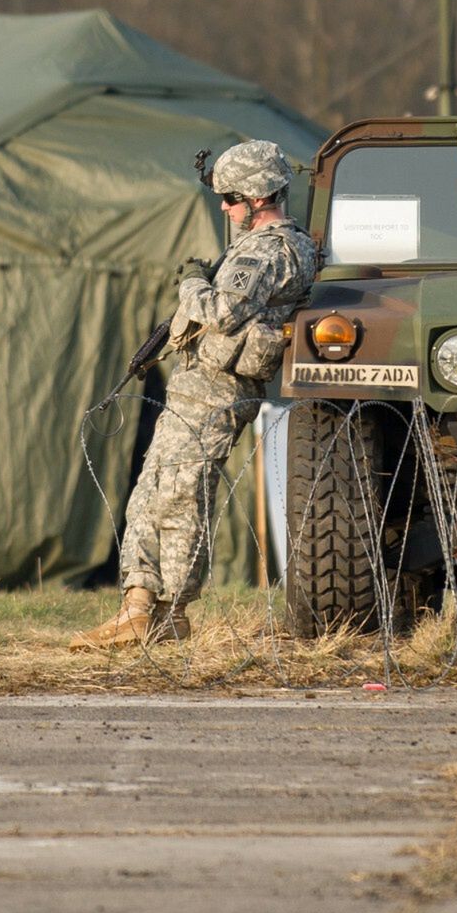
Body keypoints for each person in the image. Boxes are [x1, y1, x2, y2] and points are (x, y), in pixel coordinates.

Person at [72, 140, 317, 649]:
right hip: (198, 388)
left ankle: (169, 611)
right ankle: (138, 607)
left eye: (230, 198)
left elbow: (225, 312)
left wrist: (192, 284)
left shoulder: (271, 250)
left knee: (183, 498)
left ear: (256, 195)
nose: (224, 208)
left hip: (217, 392)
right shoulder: (260, 247)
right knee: (151, 495)